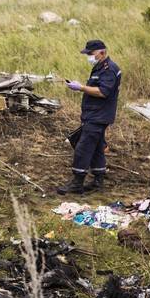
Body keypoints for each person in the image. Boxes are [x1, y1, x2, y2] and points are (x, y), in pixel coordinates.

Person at [58, 40, 121, 195]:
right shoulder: (99, 67)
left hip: (98, 116)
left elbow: (102, 92)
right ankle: (98, 181)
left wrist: (81, 88)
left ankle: (77, 183)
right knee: (97, 147)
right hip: (94, 114)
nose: (88, 57)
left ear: (102, 52)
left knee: (83, 147)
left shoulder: (109, 70)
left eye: (90, 54)